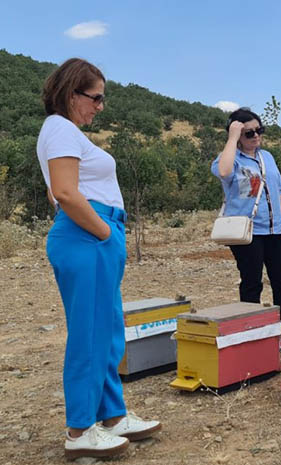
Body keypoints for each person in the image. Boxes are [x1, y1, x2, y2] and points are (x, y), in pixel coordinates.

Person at [37, 58, 161, 459]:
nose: (100, 106)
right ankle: (79, 430)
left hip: (91, 236)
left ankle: (111, 415)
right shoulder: (59, 129)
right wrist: (105, 231)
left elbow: (60, 190)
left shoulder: (67, 133)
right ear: (72, 94)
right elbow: (66, 193)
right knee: (90, 334)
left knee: (106, 330)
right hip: (88, 236)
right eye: (96, 97)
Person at [211, 108, 281, 319]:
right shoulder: (230, 158)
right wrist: (232, 138)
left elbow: (280, 191)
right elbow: (224, 172)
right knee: (251, 283)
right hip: (247, 233)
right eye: (249, 132)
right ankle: (252, 331)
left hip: (275, 229)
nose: (256, 135)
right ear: (238, 136)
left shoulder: (267, 157)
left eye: (259, 130)